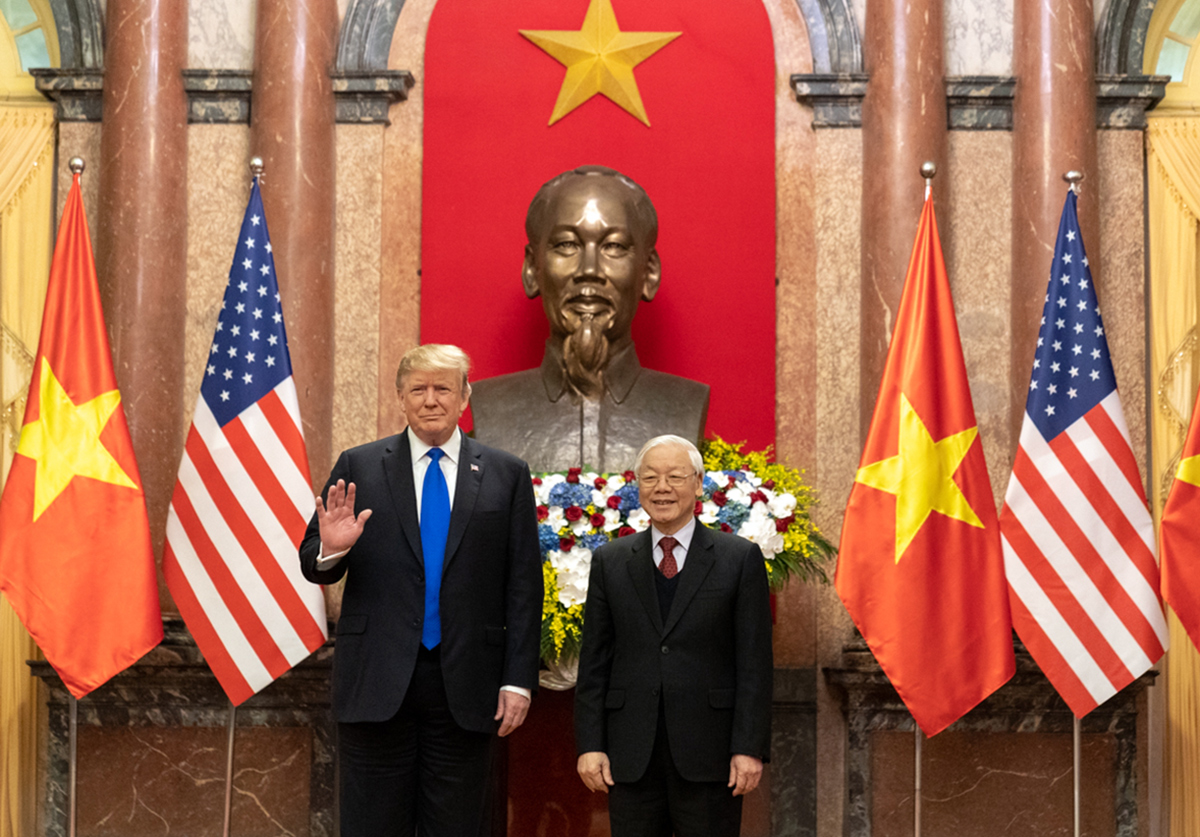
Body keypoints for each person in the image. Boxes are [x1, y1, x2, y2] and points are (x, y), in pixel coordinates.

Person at [299, 343, 543, 837]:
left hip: (468, 684)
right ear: (401, 397)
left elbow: (523, 584)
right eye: (418, 389)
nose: (430, 400)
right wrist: (332, 549)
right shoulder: (360, 466)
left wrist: (518, 680)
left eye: (443, 389)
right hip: (377, 681)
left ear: (464, 397)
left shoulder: (507, 473)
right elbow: (313, 565)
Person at [574, 435, 773, 837]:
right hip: (630, 755)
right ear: (638, 487)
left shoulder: (738, 559)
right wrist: (590, 744)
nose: (661, 487)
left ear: (698, 484)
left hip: (711, 754)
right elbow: (594, 661)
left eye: (675, 477)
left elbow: (754, 664)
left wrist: (748, 747)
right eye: (650, 477)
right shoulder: (611, 561)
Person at [471, 166, 710, 472]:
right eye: (566, 245)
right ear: (532, 269)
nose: (589, 270)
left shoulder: (686, 403)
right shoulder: (490, 404)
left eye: (614, 246)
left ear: (649, 272)